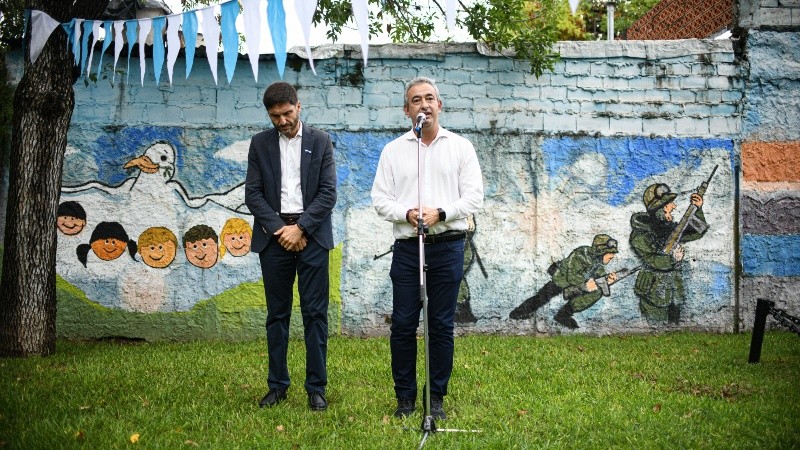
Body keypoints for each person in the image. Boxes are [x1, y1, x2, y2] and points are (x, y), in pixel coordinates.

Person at [371, 77, 484, 420]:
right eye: (417, 100)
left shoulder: (460, 147)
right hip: (408, 247)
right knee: (404, 323)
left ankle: (435, 398)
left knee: (441, 325)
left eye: (430, 98)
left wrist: (442, 213)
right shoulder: (393, 151)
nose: (425, 104)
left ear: (440, 104)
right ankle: (405, 398)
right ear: (407, 110)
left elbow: (474, 197)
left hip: (448, 246)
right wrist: (406, 213)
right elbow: (380, 199)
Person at [245, 82, 337, 411]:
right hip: (274, 236)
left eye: (287, 113)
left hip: (312, 235)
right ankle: (277, 385)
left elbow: (328, 193)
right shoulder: (260, 144)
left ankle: (316, 388)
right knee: (277, 314)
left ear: (298, 106)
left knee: (315, 314)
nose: (282, 121)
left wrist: (300, 229)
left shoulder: (321, 141)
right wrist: (280, 230)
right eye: (275, 116)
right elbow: (253, 194)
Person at [629, 183, 707, 324]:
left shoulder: (668, 228)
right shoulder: (640, 235)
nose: (674, 206)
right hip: (653, 294)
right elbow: (652, 260)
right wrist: (674, 259)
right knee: (656, 329)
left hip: (674, 291)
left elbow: (697, 231)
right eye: (670, 204)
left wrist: (697, 208)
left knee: (674, 328)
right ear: (661, 208)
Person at [509, 234, 620, 329]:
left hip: (577, 285)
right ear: (600, 251)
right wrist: (585, 286)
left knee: (597, 291)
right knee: (542, 297)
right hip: (561, 280)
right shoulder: (581, 254)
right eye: (610, 255)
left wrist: (607, 280)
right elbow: (572, 277)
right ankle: (517, 313)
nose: (612, 257)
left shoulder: (598, 263)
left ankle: (563, 315)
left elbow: (600, 276)